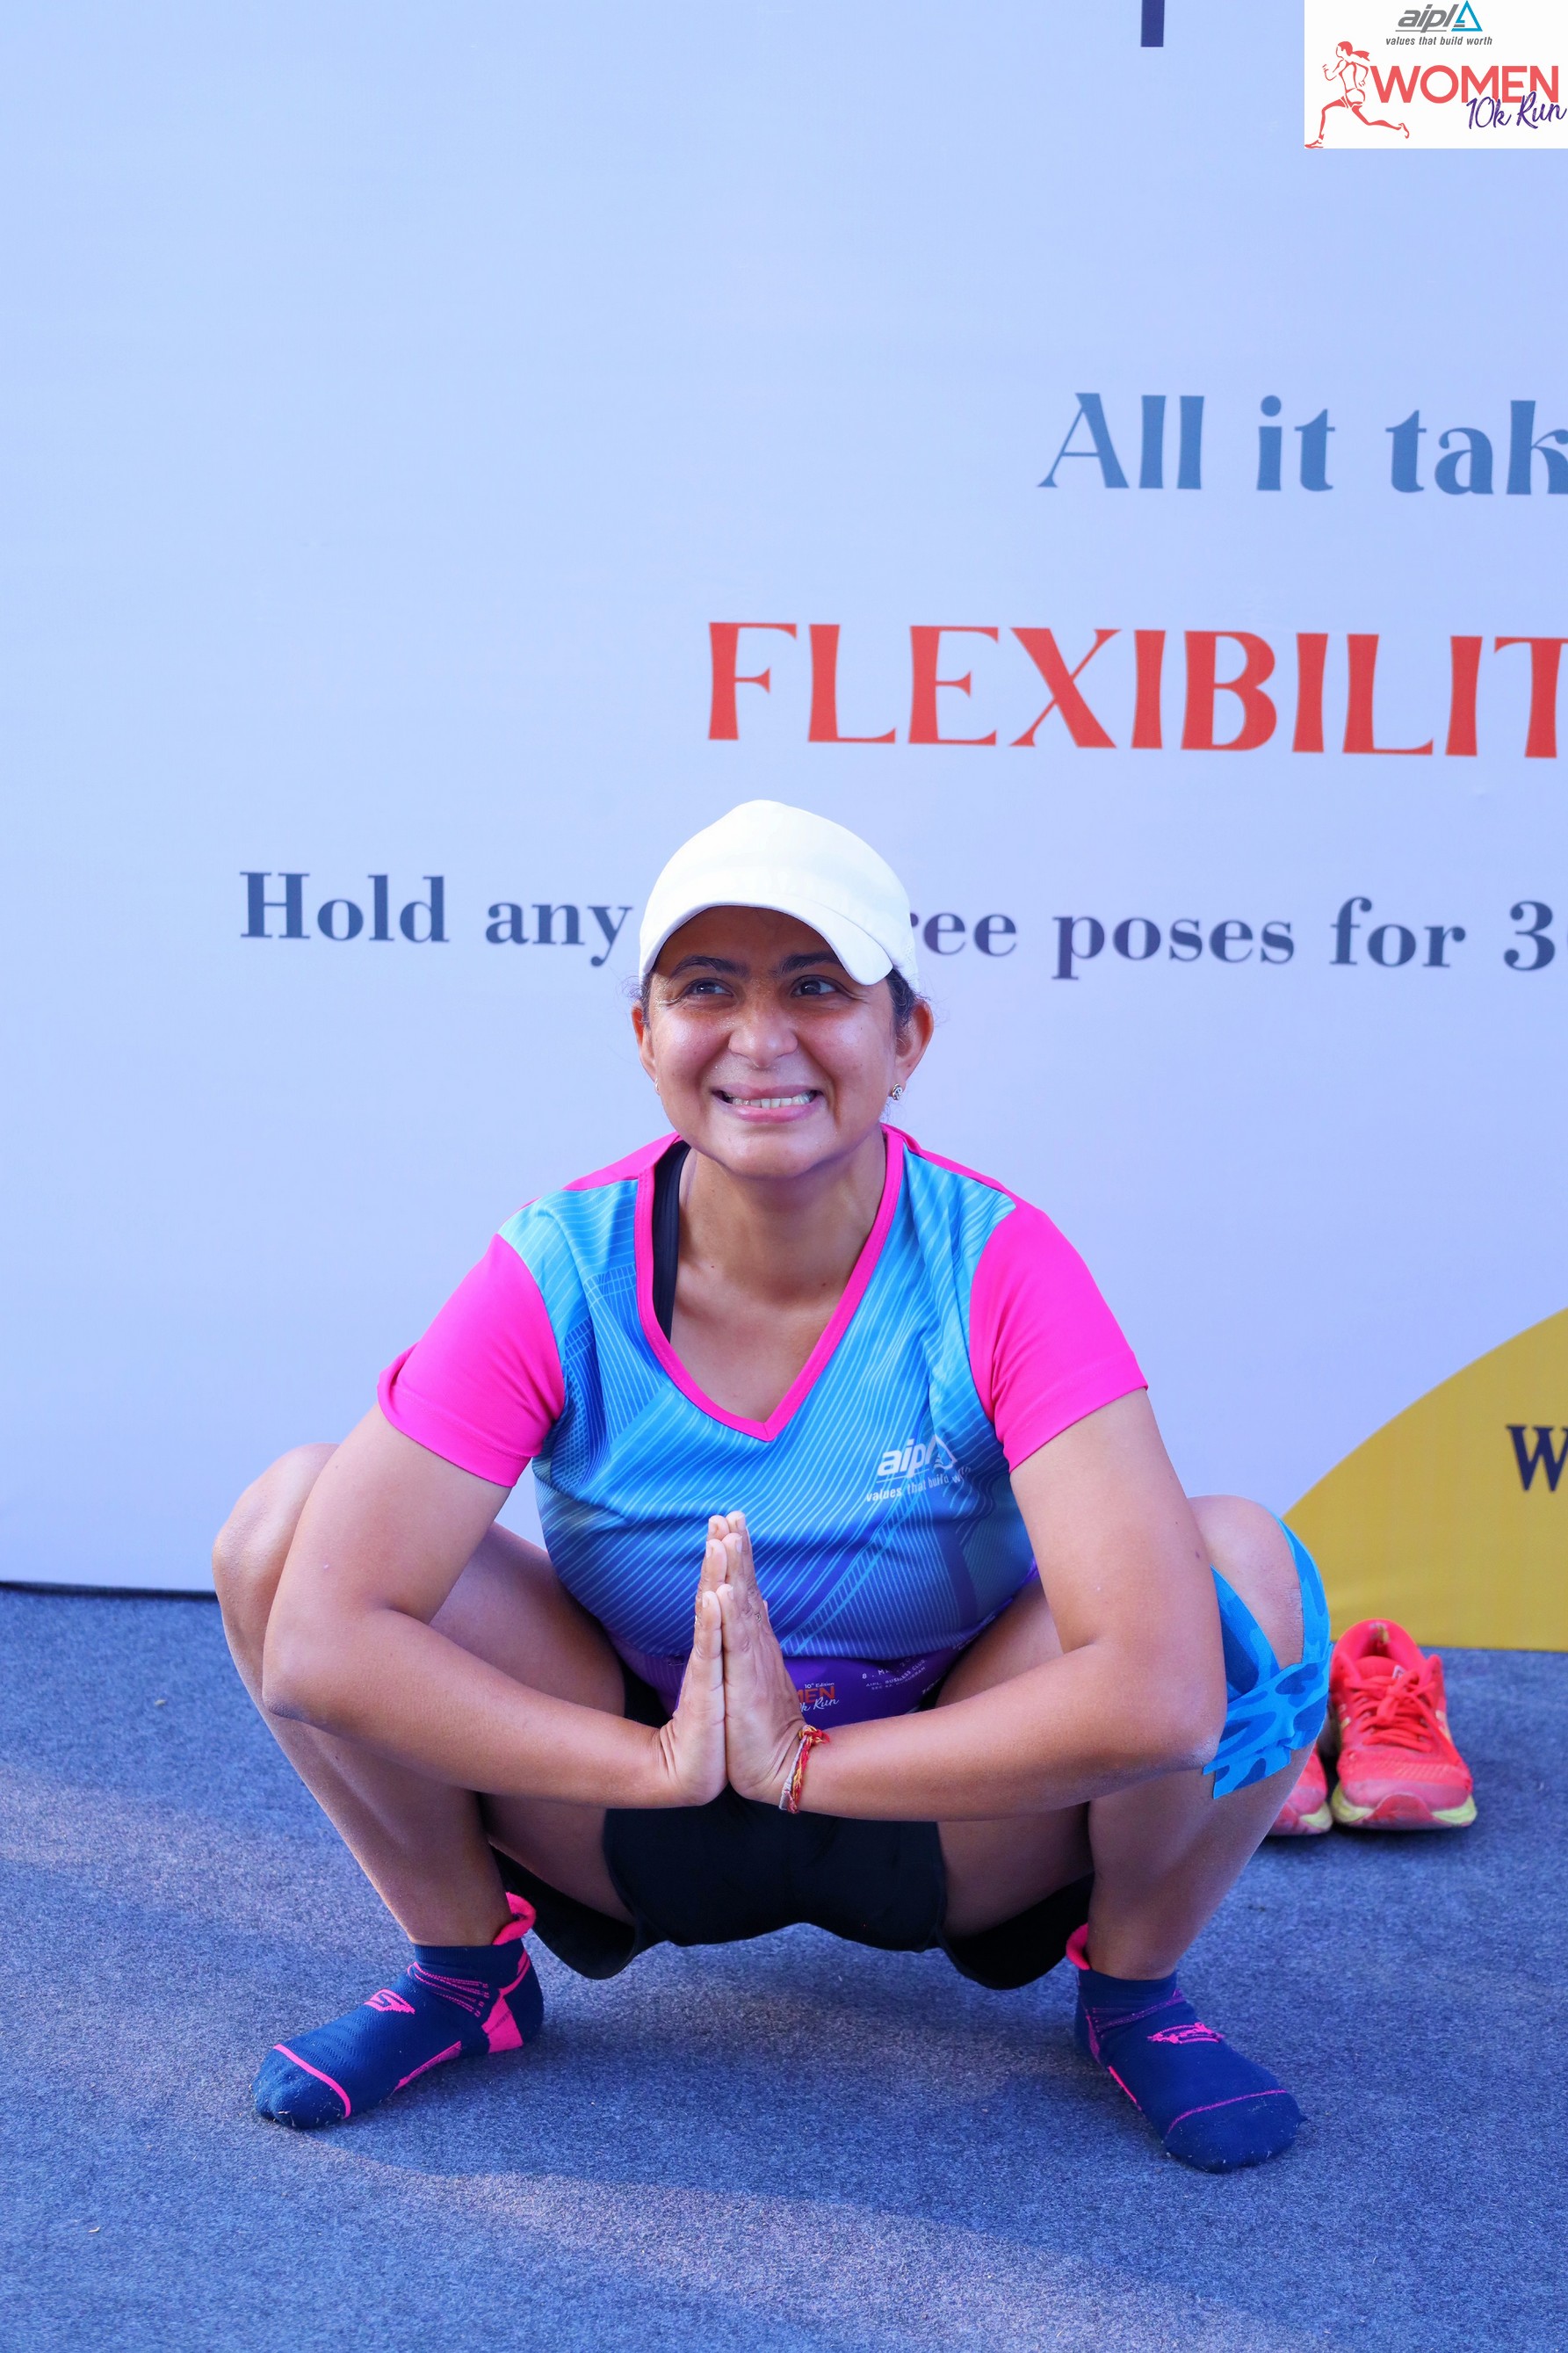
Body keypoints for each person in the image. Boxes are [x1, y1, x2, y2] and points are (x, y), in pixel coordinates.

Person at [214, 800, 1331, 2174]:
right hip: (632, 1803)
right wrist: (661, 1762)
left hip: (947, 1808)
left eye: (815, 987)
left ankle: (1137, 1992)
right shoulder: (556, 1262)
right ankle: (464, 1977)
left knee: (1240, 1571)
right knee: (286, 1531)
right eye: (706, 989)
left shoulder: (1001, 1262)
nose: (760, 1037)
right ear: (645, 1036)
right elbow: (323, 1641)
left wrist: (802, 1761)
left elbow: (1159, 1693)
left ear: (905, 1039)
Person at [1307, 41, 1410, 146]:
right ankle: (1399, 127)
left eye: (1338, 49)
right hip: (1352, 95)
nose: (1336, 50)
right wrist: (1362, 79)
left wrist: (1326, 70)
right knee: (1367, 122)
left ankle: (1320, 140)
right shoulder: (1351, 62)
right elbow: (1366, 68)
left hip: (1353, 95)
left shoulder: (1343, 63)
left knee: (1326, 111)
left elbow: (1330, 77)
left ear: (1343, 50)